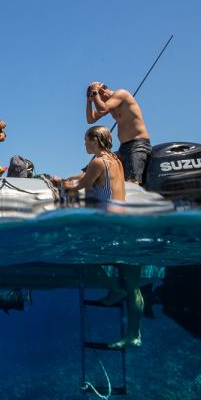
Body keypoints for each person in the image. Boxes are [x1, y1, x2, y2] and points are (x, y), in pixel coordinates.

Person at [51, 126, 142, 348]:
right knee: (134, 285)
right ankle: (134, 335)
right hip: (126, 225)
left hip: (109, 226)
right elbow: (87, 176)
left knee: (80, 257)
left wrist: (58, 183)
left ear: (95, 140)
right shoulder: (115, 160)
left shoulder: (97, 162)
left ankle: (114, 288)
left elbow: (81, 185)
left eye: (86, 140)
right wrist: (70, 176)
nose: (84, 144)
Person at [86, 81, 151, 185]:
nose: (96, 101)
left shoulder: (121, 94)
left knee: (132, 182)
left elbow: (102, 109)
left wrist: (94, 91)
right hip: (124, 147)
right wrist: (89, 101)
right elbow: (91, 119)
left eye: (97, 96)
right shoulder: (109, 105)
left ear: (102, 91)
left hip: (137, 145)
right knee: (96, 172)